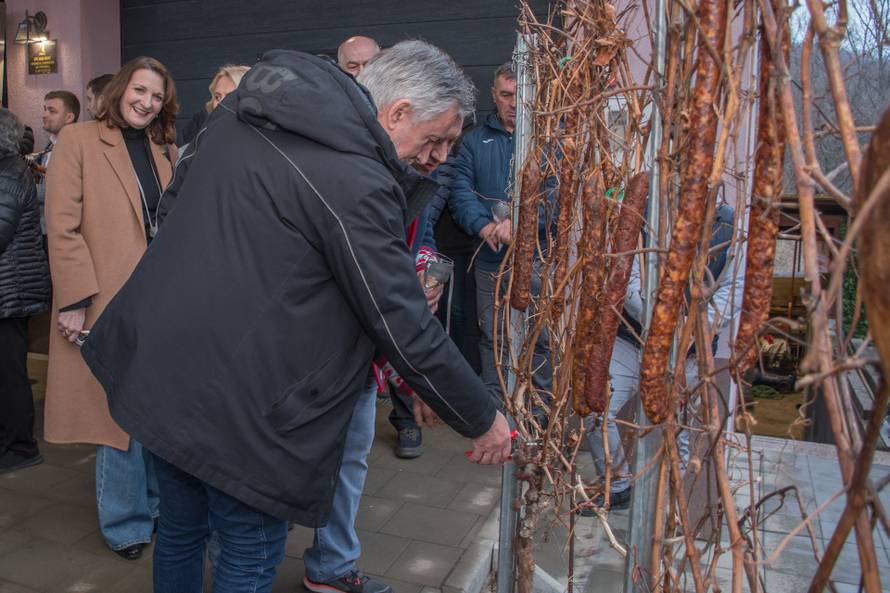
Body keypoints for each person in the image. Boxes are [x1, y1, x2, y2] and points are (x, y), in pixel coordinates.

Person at [80, 41, 511, 593]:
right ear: (397, 112)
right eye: (437, 139)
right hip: (248, 408)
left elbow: (172, 209)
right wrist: (481, 416)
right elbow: (400, 320)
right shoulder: (356, 177)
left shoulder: (240, 112)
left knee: (182, 531)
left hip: (169, 373)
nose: (441, 157)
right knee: (247, 552)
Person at [43, 56, 178, 560]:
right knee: (112, 416)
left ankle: (156, 504)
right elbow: (62, 226)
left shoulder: (165, 149)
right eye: (139, 90)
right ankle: (125, 522)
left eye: (157, 96)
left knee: (151, 413)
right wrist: (75, 299)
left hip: (157, 303)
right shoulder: (78, 141)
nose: (146, 102)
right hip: (104, 300)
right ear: (121, 90)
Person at [581, 204, 743, 512]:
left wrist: (693, 328)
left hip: (689, 352)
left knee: (679, 433)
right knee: (596, 407)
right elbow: (625, 276)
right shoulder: (641, 209)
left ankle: (671, 511)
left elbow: (733, 289)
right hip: (634, 339)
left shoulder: (729, 226)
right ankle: (617, 485)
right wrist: (659, 322)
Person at [448, 62, 552, 405]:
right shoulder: (474, 142)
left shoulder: (548, 140)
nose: (512, 104)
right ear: (493, 94)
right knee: (492, 336)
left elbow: (556, 194)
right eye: (505, 95)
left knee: (541, 337)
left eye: (518, 96)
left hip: (538, 260)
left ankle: (539, 414)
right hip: (490, 259)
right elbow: (459, 191)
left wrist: (522, 224)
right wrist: (484, 225)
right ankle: (497, 409)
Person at [0, 109, 51, 474]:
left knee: (10, 373)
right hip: (9, 287)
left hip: (11, 289)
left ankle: (20, 447)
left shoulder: (7, 175)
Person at [35, 91, 80, 248]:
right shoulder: (51, 143)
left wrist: (25, 190)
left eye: (52, 111)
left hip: (61, 230)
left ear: (69, 118)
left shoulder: (73, 148)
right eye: (44, 109)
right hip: (45, 227)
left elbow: (59, 191)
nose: (44, 115)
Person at [177, 64, 251, 146]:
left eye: (229, 97)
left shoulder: (259, 138)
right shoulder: (202, 122)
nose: (220, 104)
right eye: (217, 97)